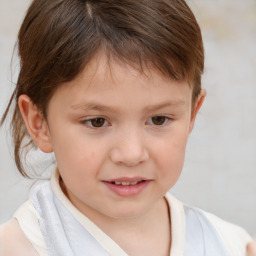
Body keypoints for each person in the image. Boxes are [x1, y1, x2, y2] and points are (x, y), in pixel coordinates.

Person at [0, 0, 254, 255]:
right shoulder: (17, 247)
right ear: (39, 122)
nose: (131, 154)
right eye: (97, 122)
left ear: (192, 115)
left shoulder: (230, 244)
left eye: (158, 120)